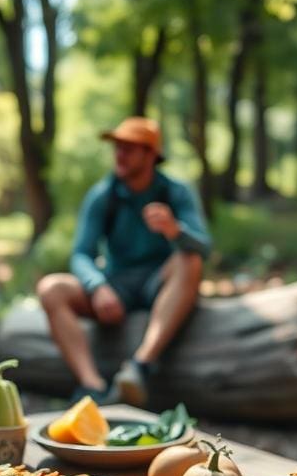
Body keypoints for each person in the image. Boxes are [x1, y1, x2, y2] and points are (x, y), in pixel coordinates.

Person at [36, 117, 211, 406]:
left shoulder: (176, 192)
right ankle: (91, 386)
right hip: (116, 287)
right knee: (51, 288)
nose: (119, 154)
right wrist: (97, 286)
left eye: (128, 148)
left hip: (159, 284)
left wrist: (175, 230)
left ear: (151, 155)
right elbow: (81, 253)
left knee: (189, 259)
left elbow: (203, 247)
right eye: (117, 147)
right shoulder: (103, 195)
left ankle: (140, 367)